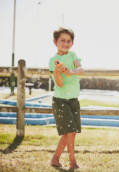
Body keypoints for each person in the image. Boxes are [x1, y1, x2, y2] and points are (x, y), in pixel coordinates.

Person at [49, 27, 84, 170]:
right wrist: (58, 72)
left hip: (73, 100)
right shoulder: (53, 60)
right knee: (69, 132)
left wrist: (71, 72)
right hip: (61, 100)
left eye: (68, 41)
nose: (65, 43)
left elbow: (81, 69)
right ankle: (72, 161)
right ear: (55, 42)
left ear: (72, 43)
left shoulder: (73, 55)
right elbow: (60, 83)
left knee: (72, 131)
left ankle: (55, 159)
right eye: (62, 40)